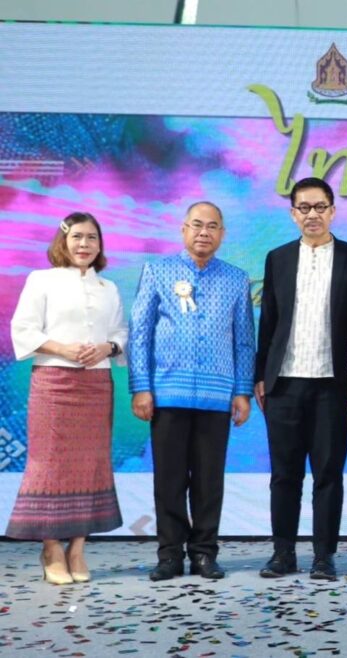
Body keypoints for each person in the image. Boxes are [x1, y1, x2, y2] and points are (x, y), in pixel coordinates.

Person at [129, 201, 255, 581]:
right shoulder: (157, 270)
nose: (204, 232)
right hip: (167, 393)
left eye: (212, 226)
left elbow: (244, 341)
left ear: (222, 234)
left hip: (217, 396)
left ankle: (204, 553)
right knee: (169, 480)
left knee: (208, 481)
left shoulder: (236, 279)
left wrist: (242, 391)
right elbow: (140, 333)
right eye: (197, 225)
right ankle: (169, 555)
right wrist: (141, 387)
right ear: (184, 229)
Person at [255, 177, 347, 581]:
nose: (312, 214)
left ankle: (324, 556)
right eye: (303, 208)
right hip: (284, 382)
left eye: (320, 206)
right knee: (284, 474)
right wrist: (261, 375)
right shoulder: (278, 258)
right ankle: (282, 552)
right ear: (293, 214)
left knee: (328, 474)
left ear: (333, 211)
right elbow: (268, 321)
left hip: (332, 384)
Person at [8, 213, 126, 585]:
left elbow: (121, 334)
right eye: (77, 237)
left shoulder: (108, 287)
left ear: (100, 244)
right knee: (49, 464)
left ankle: (77, 549)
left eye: (92, 238)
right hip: (54, 382)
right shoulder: (41, 280)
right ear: (63, 240)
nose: (84, 244)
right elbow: (23, 329)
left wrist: (107, 347)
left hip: (97, 384)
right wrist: (63, 349)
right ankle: (51, 549)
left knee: (91, 465)